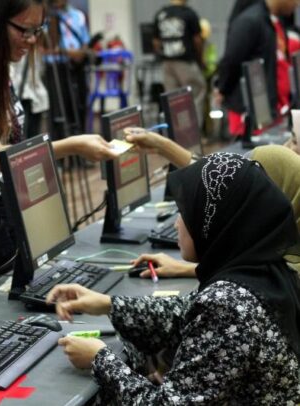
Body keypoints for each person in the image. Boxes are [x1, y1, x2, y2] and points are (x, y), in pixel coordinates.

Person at [48, 152, 300, 403]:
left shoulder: (228, 305)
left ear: (213, 222)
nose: (178, 223)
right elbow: (183, 313)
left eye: (186, 213)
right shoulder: (264, 269)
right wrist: (107, 304)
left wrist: (100, 359)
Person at [0, 0, 117, 281]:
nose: (32, 40)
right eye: (24, 30)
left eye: (37, 30)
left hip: (6, 218)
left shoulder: (1, 71)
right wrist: (73, 145)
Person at [126, 142, 300, 279]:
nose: (288, 145)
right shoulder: (279, 272)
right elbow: (215, 179)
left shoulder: (278, 284)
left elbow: (217, 186)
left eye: (294, 140)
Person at [216, 0, 298, 140]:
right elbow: (232, 59)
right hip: (248, 111)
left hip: (271, 110)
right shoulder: (250, 21)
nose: (297, 4)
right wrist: (222, 88)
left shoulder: (275, 21)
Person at [153, 0, 206, 128]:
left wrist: (163, 54)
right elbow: (197, 40)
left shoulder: (161, 14)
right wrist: (201, 59)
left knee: (172, 101)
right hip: (185, 61)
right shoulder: (189, 14)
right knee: (196, 94)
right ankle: (193, 134)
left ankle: (175, 134)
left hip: (167, 63)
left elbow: (155, 42)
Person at [44, 0, 91, 136]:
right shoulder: (45, 16)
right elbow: (47, 46)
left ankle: (80, 146)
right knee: (57, 111)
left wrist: (80, 54)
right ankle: (59, 149)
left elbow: (85, 42)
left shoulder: (78, 15)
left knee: (79, 106)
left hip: (77, 67)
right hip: (55, 68)